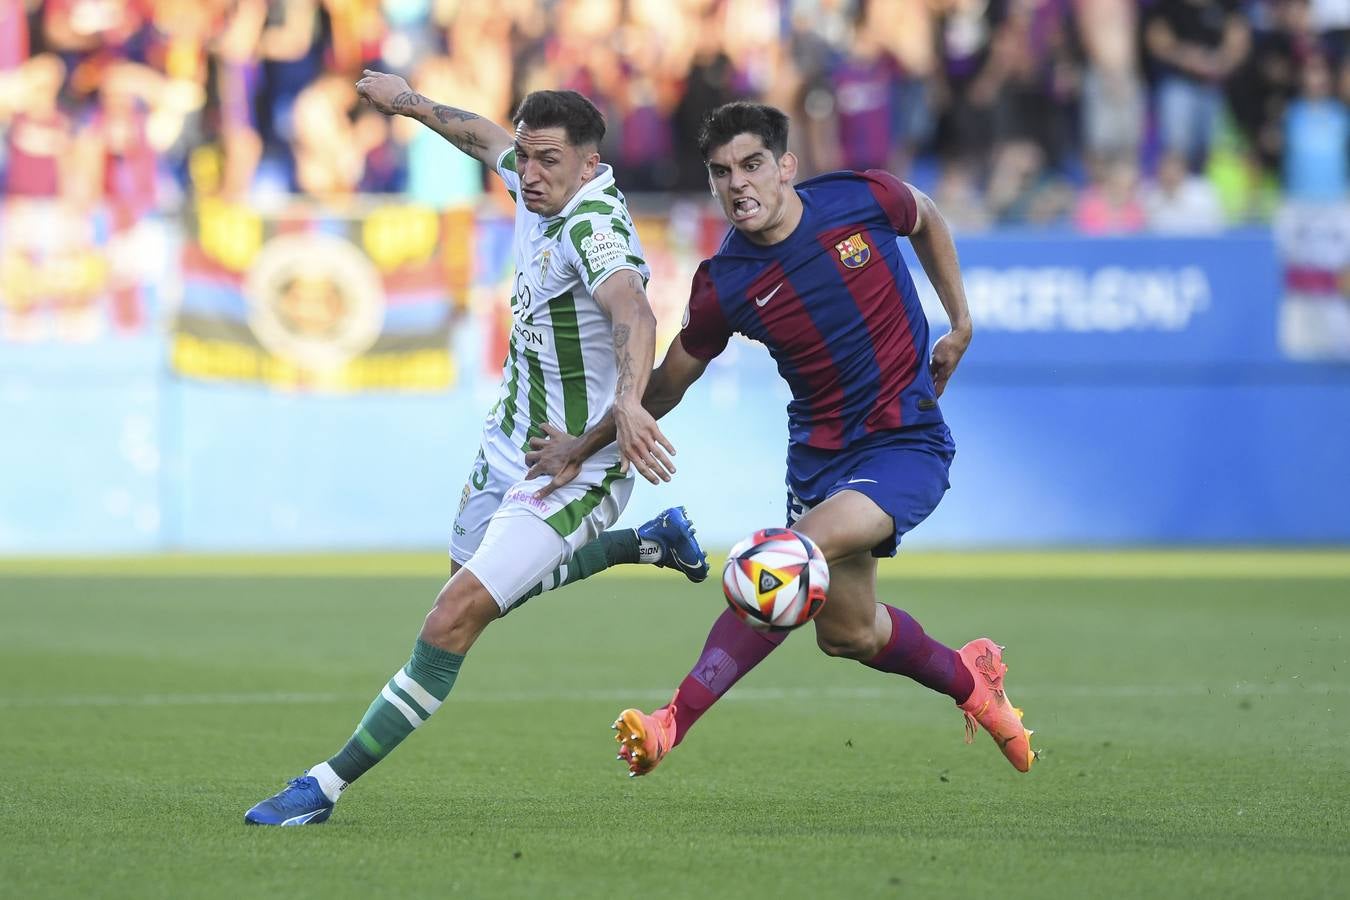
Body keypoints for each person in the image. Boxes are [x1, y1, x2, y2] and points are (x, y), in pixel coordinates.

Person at [243, 72, 710, 826]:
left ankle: (322, 787)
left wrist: (628, 402)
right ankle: (646, 546)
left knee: (450, 619)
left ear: (589, 166)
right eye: (526, 157)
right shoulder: (533, 182)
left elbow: (633, 307)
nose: (528, 172)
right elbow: (484, 136)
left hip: (575, 464)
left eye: (548, 160)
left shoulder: (592, 226)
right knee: (473, 588)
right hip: (511, 443)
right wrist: (411, 103)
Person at [526, 102, 1037, 776]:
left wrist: (960, 322)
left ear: (785, 166)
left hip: (905, 445)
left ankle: (668, 723)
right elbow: (667, 385)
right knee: (850, 634)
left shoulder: (860, 199)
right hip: (819, 466)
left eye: (752, 165)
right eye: (721, 172)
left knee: (784, 562)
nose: (738, 184)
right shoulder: (727, 284)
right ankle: (973, 679)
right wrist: (584, 445)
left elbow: (929, 218)